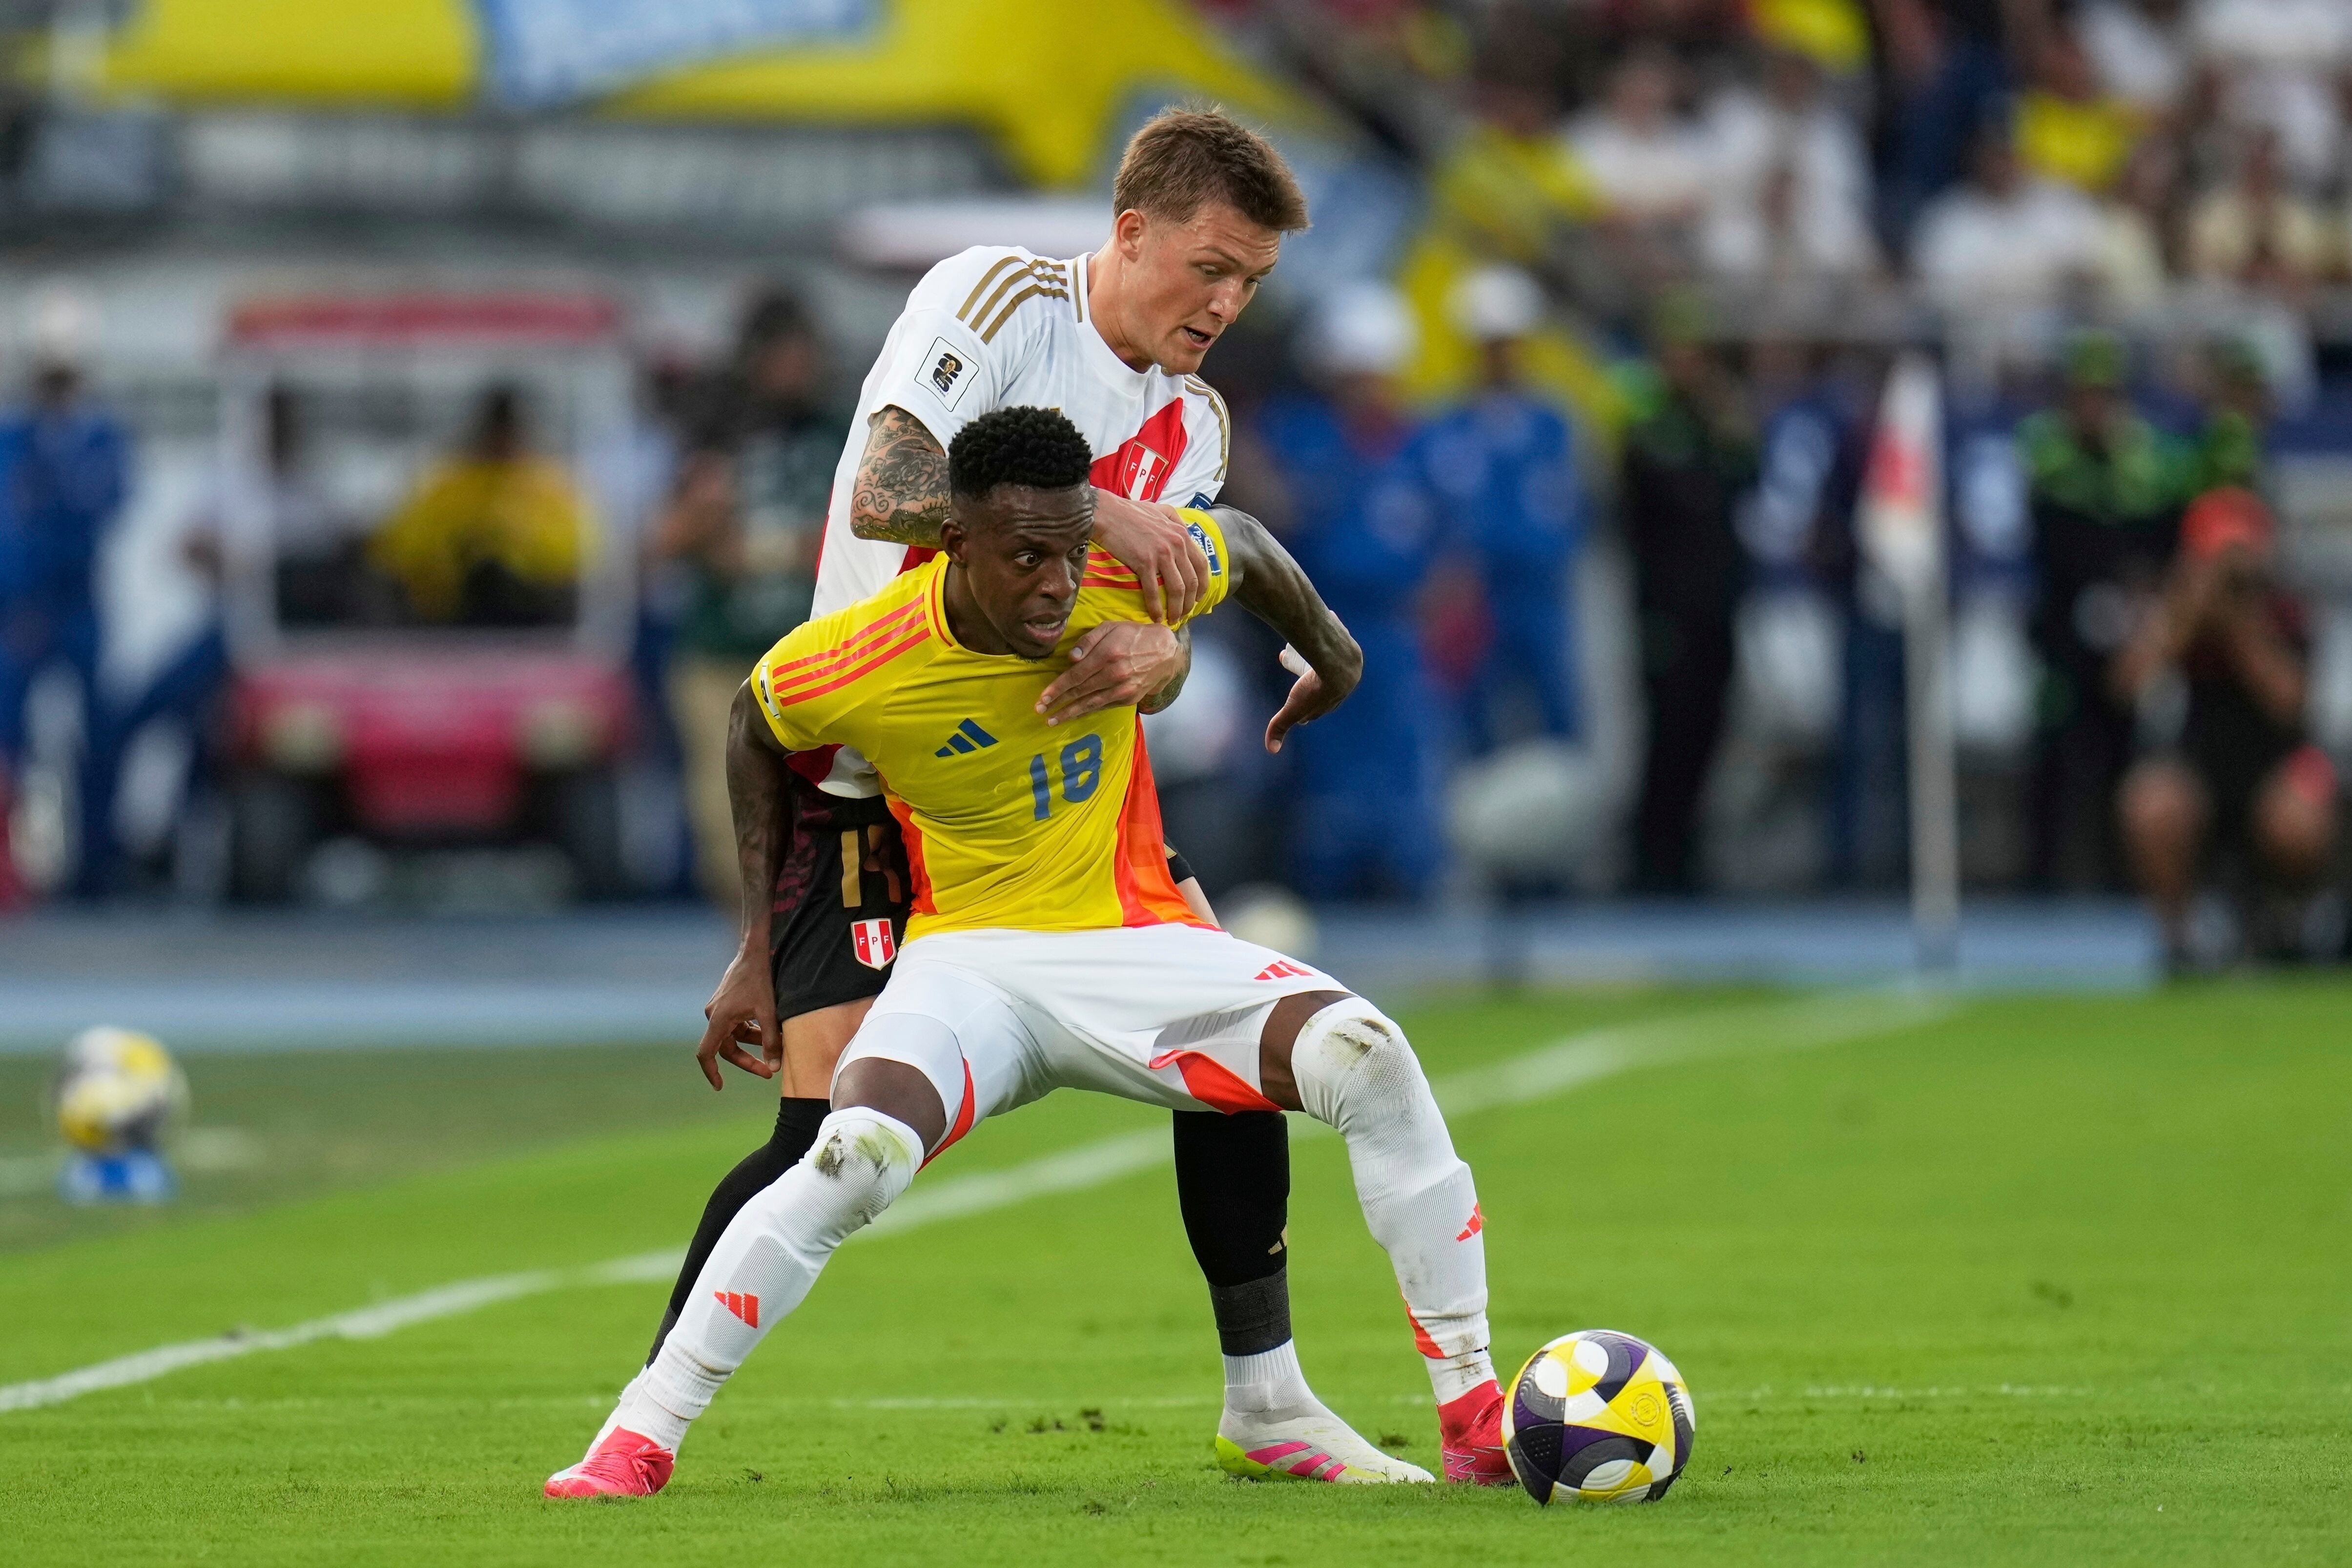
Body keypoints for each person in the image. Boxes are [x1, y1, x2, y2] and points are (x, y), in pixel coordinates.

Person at [626, 108, 1400, 1485]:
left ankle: (1267, 1401)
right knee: (823, 1140)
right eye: (1211, 267)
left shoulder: (1197, 421)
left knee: (1236, 1061)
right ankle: (643, 1415)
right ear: (1131, 232)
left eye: (1253, 285)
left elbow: (1140, 641)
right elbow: (885, 489)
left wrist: (1160, 658)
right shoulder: (996, 299)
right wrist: (1096, 510)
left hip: (1043, 796)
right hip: (865, 775)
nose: (1225, 304)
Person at [547, 408, 1503, 1496]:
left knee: (1369, 1054)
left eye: (1069, 550)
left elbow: (1242, 541)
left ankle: (1473, 1414)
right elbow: (754, 727)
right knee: (851, 1151)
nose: (1056, 583)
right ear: (956, 540)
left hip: (1133, 942)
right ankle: (638, 1434)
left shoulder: (1120, 579)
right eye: (1026, 557)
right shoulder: (864, 654)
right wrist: (756, 951)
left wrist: (1335, 661)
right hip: (971, 968)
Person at [652, 293, 846, 905]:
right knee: (727, 823)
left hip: (815, 657)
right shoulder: (717, 432)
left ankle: (807, 971)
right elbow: (662, 540)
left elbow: (866, 531)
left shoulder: (843, 432)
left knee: (824, 819)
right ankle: (749, 960)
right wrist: (704, 513)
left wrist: (766, 548)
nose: (797, 369)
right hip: (721, 657)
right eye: (784, 356)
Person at [1257, 284, 1443, 899]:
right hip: (1317, 623)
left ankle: (1408, 879)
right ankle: (1328, 883)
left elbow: (1447, 540)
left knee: (1401, 756)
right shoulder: (1303, 434)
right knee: (1328, 757)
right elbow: (1266, 500)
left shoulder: (1414, 443)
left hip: (1394, 624)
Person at [2114, 488, 2336, 967]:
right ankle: (2179, 940)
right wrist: (2186, 614)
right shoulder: (2173, 607)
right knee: (2151, 803)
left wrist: (2240, 627)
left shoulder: (2288, 611)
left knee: (2299, 817)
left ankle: (2286, 922)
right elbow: (2126, 684)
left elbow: (2290, 702)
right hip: (2200, 762)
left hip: (2275, 762)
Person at [2021, 331, 2187, 889]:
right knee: (2053, 751)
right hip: (2062, 636)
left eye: (2103, 394)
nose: (2094, 406)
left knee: (2125, 751)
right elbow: (2054, 539)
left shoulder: (2143, 460)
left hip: (2125, 636)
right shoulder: (2050, 454)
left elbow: (2159, 544)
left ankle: (2123, 874)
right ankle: (2041, 875)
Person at [1409, 265, 1586, 756]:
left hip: (1540, 593)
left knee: (1559, 706)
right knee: (1471, 718)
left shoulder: (1553, 424)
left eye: (1509, 343)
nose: (1501, 356)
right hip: (1474, 598)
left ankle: (1569, 814)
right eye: (1490, 344)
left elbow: (1573, 511)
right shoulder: (1445, 427)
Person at [1622, 307, 1757, 893]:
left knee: (1709, 727)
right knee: (1667, 733)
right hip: (1667, 608)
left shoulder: (1716, 428)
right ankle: (1654, 854)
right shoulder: (1650, 430)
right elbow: (1677, 502)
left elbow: (1746, 480)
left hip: (1715, 605)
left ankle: (1691, 849)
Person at [0, 307, 130, 898]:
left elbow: (104, 506)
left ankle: (96, 867)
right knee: (11, 737)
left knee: (96, 735)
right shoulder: (13, 438)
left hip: (79, 606)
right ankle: (15, 869)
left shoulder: (102, 438)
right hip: (23, 607)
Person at [368, 384, 593, 626]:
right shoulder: (450, 482)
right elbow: (400, 547)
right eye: (497, 433)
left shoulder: (550, 483)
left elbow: (585, 549)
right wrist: (462, 547)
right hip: (452, 613)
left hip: (534, 610)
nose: (501, 443)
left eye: (508, 434)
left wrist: (519, 546)